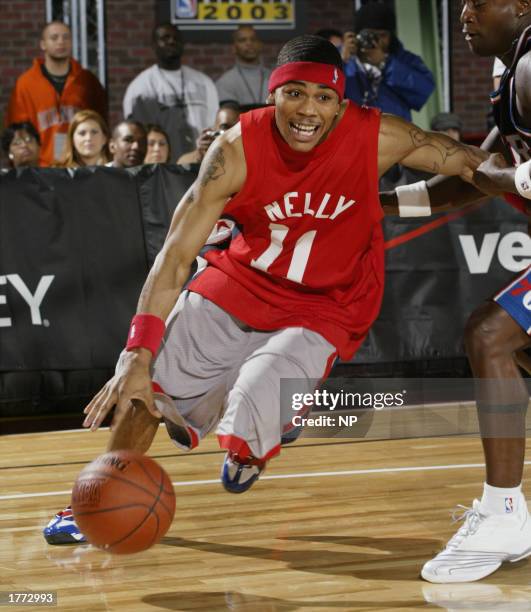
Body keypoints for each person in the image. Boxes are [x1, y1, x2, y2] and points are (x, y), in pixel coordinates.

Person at [43, 34, 486, 545]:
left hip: (326, 302)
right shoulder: (235, 149)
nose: (307, 110)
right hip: (240, 281)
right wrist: (137, 352)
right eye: (294, 93)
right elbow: (175, 256)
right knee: (146, 389)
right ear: (271, 94)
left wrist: (508, 175)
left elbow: (468, 164)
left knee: (260, 390)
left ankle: (254, 444)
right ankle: (94, 502)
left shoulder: (378, 136)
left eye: (323, 97)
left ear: (342, 104)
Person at [380, 0, 531, 584]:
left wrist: (511, 178)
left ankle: (504, 511)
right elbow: (475, 174)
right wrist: (386, 205)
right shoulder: (510, 71)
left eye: (479, 0)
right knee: (509, 348)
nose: (464, 11)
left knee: (490, 336)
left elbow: (499, 175)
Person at [5, 21, 107, 167]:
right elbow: (16, 133)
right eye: (54, 38)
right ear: (43, 44)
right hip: (40, 169)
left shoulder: (87, 81)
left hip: (80, 167)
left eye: (66, 37)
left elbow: (102, 125)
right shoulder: (26, 84)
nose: (61, 42)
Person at [123, 23, 218, 163]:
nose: (172, 41)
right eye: (165, 38)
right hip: (160, 168)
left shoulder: (203, 82)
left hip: (201, 164)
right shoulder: (140, 88)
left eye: (176, 37)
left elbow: (214, 124)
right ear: (154, 45)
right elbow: (137, 135)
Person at [344, 3, 435, 121]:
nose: (376, 40)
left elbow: (424, 90)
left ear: (391, 36)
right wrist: (341, 61)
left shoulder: (405, 59)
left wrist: (385, 63)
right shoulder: (343, 57)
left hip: (395, 134)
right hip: (353, 134)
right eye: (370, 35)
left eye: (382, 35)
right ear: (357, 35)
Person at [215, 25, 272, 109]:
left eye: (253, 39)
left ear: (260, 45)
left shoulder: (275, 78)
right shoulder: (225, 82)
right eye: (242, 40)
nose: (249, 43)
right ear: (234, 48)